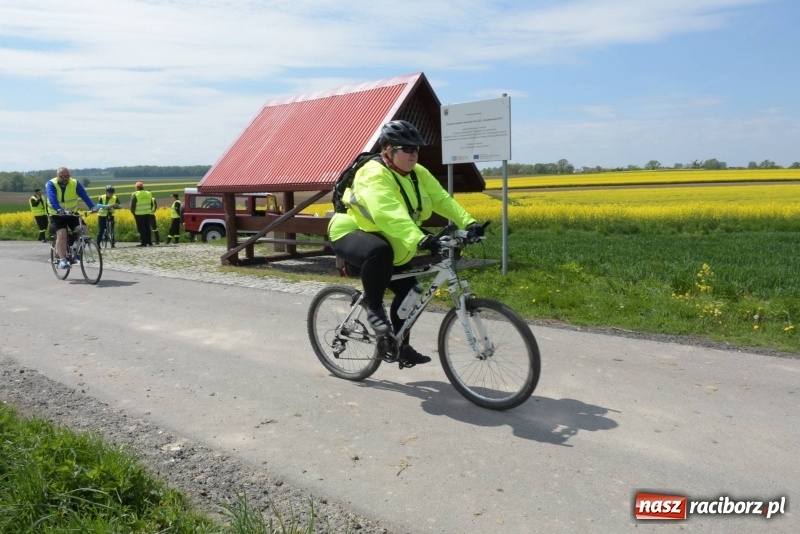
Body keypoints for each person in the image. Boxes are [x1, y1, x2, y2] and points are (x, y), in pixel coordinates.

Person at [328, 120, 484, 366]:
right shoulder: (373, 172)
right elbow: (387, 211)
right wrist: (419, 238)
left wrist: (469, 223)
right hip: (351, 229)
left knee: (411, 291)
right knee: (378, 252)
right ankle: (374, 308)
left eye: (416, 149)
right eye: (407, 149)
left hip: (391, 233)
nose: (414, 154)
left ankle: (400, 346)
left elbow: (442, 199)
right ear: (388, 149)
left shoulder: (418, 173)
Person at [45, 167, 97, 269]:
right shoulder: (51, 184)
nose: (65, 178)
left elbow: (84, 195)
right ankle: (63, 260)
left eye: (67, 176)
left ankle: (74, 249)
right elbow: (52, 198)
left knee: (83, 229)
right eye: (62, 176)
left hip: (71, 213)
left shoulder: (74, 183)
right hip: (56, 215)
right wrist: (58, 209)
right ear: (57, 176)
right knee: (62, 233)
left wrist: (92, 207)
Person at [130, 181, 154, 246]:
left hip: (138, 214)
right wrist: (149, 210)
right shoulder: (148, 193)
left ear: (137, 187)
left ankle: (144, 242)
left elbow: (132, 206)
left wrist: (133, 213)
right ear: (142, 187)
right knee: (147, 227)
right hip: (147, 213)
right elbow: (151, 204)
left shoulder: (135, 194)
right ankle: (150, 242)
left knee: (141, 228)